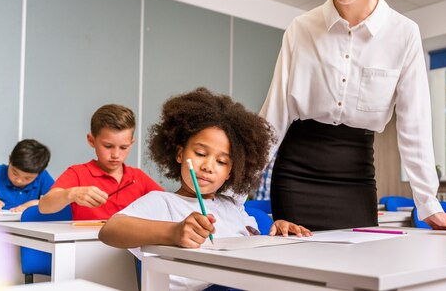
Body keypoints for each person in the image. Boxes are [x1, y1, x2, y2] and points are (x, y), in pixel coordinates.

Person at [257, 0, 445, 231]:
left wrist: (427, 202)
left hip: (356, 178)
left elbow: (414, 124)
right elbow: (274, 116)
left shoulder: (403, 33)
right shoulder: (302, 29)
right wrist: (231, 191)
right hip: (296, 174)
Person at [99, 88, 310, 291]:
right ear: (180, 154)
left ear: (231, 172)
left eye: (221, 161)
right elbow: (110, 230)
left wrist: (278, 231)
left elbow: (255, 248)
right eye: (200, 153)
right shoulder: (161, 202)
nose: (208, 166)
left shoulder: (233, 208)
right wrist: (174, 232)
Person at [38, 104, 163, 219]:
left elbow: (167, 204)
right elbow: (44, 206)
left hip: (127, 242)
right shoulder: (78, 173)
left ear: (131, 143)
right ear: (92, 140)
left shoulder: (138, 177)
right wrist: (71, 194)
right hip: (87, 242)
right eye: (108, 146)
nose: (116, 155)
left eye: (123, 147)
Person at [0, 139, 54, 212]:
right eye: (15, 173)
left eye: (27, 178)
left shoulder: (42, 178)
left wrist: (34, 204)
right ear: (9, 160)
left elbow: (56, 201)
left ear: (39, 173)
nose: (19, 181)